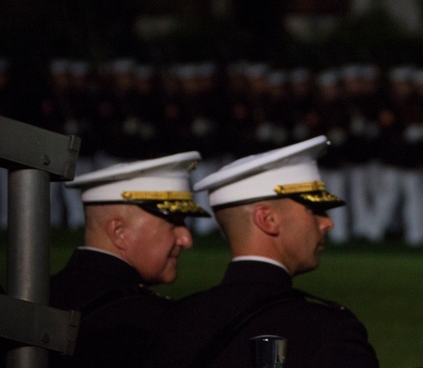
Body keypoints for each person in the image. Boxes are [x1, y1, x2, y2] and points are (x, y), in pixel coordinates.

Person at [148, 135, 378, 367]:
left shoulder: (173, 320)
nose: (327, 223)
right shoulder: (327, 331)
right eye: (314, 210)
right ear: (267, 219)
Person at [49, 150, 207, 367]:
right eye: (174, 223)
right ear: (119, 232)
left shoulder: (40, 296)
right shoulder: (154, 321)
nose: (186, 239)